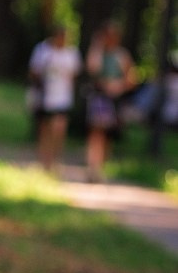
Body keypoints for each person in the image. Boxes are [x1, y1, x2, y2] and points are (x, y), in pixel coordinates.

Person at [84, 21, 136, 182]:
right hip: (98, 98)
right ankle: (93, 168)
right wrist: (97, 45)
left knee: (107, 136)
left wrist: (118, 86)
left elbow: (132, 80)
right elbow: (92, 68)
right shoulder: (97, 52)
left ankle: (100, 168)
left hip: (114, 100)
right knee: (96, 132)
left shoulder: (122, 55)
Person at [27, 26, 83, 173]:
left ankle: (56, 160)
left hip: (63, 98)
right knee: (44, 129)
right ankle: (43, 161)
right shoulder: (43, 50)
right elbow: (33, 71)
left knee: (59, 129)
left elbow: (75, 75)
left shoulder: (72, 54)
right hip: (45, 97)